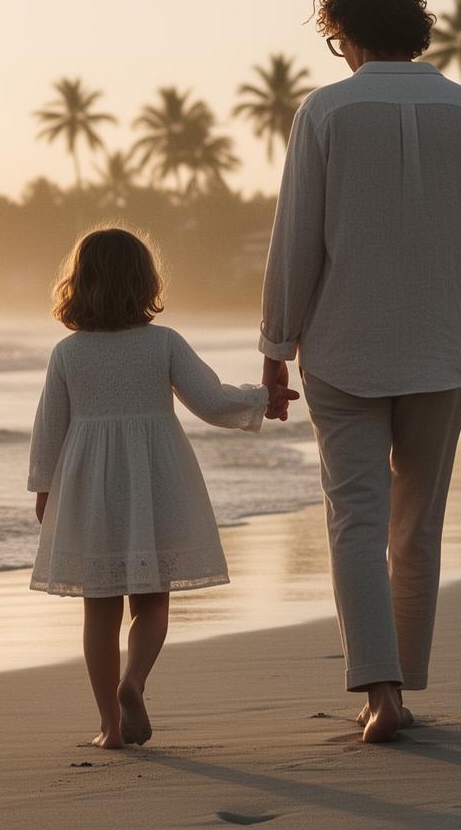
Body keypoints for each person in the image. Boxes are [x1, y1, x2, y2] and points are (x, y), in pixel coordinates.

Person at [258, 0, 461, 743]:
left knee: (354, 522)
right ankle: (402, 688)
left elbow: (296, 236)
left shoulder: (326, 111)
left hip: (342, 348)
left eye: (334, 37)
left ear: (349, 31)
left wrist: (277, 343)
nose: (335, 50)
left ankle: (379, 692)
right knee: (418, 527)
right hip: (445, 348)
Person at [28, 226, 297, 749]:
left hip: (88, 486)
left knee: (98, 610)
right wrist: (265, 395)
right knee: (152, 603)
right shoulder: (164, 343)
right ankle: (135, 681)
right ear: (145, 282)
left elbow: (48, 429)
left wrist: (44, 488)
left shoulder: (67, 354)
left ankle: (109, 727)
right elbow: (211, 400)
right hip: (156, 478)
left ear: (77, 284)